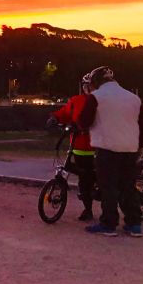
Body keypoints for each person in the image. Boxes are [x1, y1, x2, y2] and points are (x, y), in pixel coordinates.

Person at [76, 66, 143, 237]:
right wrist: (139, 146)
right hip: (130, 149)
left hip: (107, 149)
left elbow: (84, 121)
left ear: (95, 82)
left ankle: (108, 224)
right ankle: (134, 224)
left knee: (108, 187)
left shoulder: (96, 97)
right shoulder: (133, 98)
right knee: (128, 187)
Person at [50, 75, 96, 221]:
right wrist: (55, 118)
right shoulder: (76, 100)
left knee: (95, 178)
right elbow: (65, 112)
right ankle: (88, 209)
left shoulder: (100, 101)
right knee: (84, 179)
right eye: (85, 85)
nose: (87, 88)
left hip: (97, 147)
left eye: (90, 85)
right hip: (78, 146)